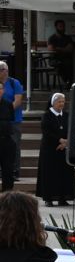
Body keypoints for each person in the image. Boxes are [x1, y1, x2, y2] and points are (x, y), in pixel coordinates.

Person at [36, 92, 75, 207]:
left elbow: (72, 129)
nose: (62, 104)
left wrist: (66, 142)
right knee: (50, 174)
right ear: (53, 103)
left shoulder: (67, 115)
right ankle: (48, 198)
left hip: (63, 149)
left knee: (63, 174)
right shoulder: (47, 115)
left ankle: (62, 198)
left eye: (63, 102)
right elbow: (46, 131)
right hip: (49, 149)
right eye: (59, 102)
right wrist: (59, 140)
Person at [0, 63, 19, 193]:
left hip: (6, 139)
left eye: (1, 89)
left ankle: (7, 194)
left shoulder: (7, 104)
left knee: (8, 169)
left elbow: (11, 118)